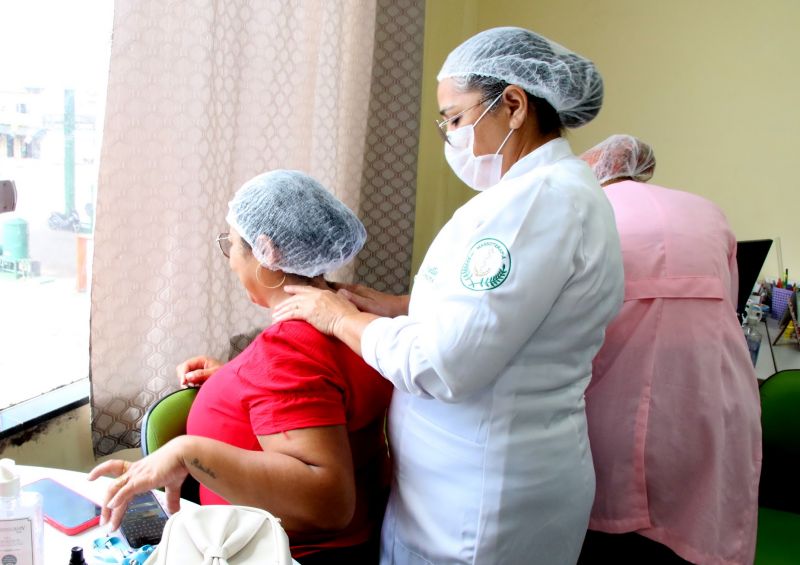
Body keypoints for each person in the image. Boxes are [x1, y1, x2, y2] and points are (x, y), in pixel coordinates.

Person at [271, 27, 625, 565]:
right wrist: (396, 307)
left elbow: (442, 364)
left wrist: (338, 317)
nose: (451, 139)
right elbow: (508, 318)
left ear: (512, 104)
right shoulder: (546, 193)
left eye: (456, 119)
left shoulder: (534, 205)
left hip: (483, 504)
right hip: (458, 489)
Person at [89, 170, 394, 564]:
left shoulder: (288, 351)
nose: (231, 261)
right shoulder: (351, 314)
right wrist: (236, 381)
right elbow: (321, 396)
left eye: (231, 244)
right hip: (359, 544)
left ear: (268, 252)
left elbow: (329, 504)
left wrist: (186, 452)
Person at [578, 134, 761, 564]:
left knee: (611, 531)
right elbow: (728, 306)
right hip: (711, 398)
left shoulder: (587, 211)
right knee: (695, 530)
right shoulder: (707, 212)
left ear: (594, 171)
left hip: (613, 397)